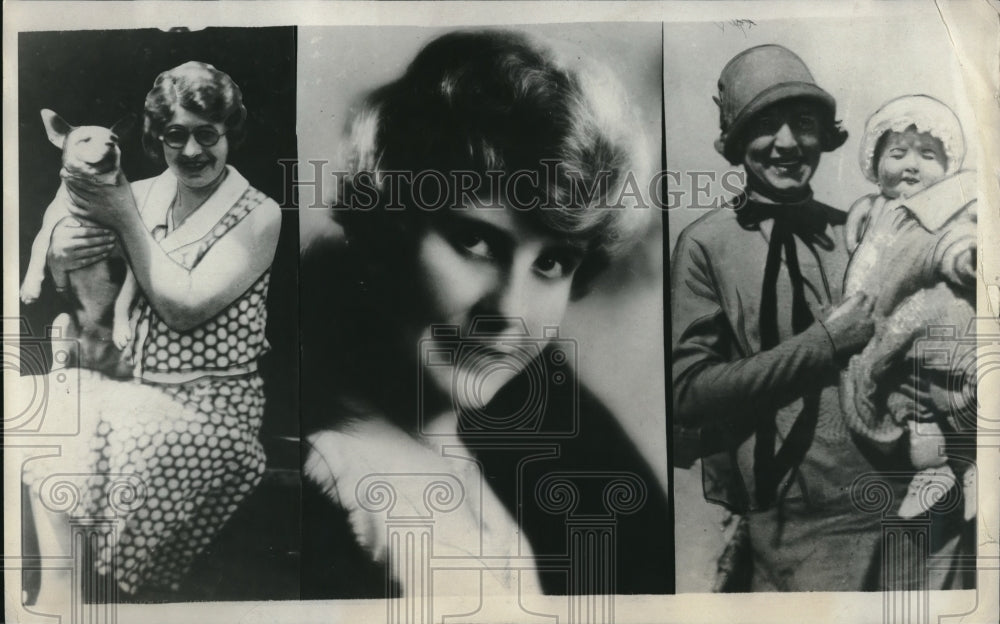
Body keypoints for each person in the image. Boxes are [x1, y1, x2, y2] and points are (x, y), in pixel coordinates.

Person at [300, 29, 671, 600]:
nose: (510, 312)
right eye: (475, 243)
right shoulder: (337, 483)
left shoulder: (464, 453)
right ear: (387, 230)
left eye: (551, 262)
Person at [23, 61, 282, 602]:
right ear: (156, 137)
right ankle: (57, 594)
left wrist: (124, 218)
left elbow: (183, 307)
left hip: (212, 407)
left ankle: (95, 595)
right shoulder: (138, 194)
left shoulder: (260, 214)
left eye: (207, 134)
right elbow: (80, 262)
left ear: (229, 133)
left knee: (125, 437)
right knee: (31, 409)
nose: (191, 152)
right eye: (175, 135)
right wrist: (57, 253)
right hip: (131, 383)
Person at [671, 44, 904, 591]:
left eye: (803, 123)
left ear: (824, 135)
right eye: (764, 124)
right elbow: (687, 394)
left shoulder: (864, 233)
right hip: (787, 524)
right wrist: (824, 342)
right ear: (734, 141)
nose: (787, 143)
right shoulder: (706, 245)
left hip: (893, 506)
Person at [838, 94, 976, 586]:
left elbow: (963, 242)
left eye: (926, 154)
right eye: (897, 153)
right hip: (901, 343)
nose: (911, 166)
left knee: (953, 395)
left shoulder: (957, 206)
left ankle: (970, 466)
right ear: (876, 166)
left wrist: (969, 259)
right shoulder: (879, 210)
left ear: (949, 165)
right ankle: (938, 470)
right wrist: (866, 206)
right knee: (914, 410)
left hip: (944, 325)